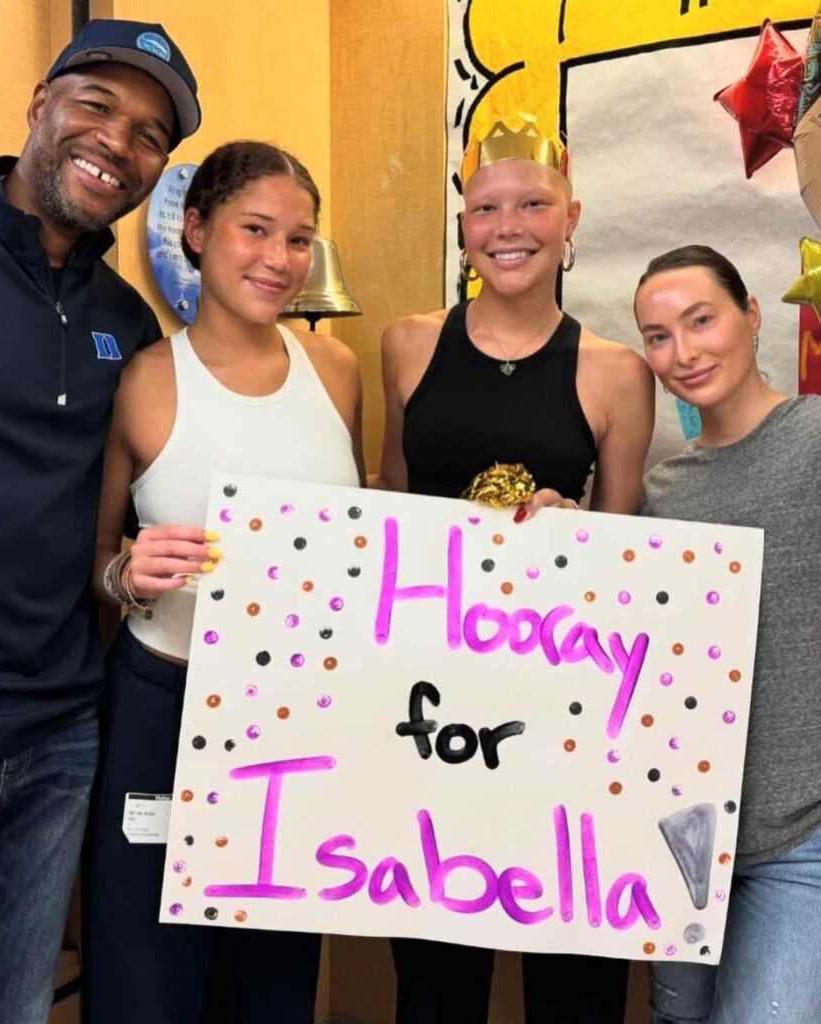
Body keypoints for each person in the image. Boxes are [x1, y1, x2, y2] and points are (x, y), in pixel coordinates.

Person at [0, 19, 199, 1024]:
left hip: (57, 738)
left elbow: (108, 523)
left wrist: (129, 571)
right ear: (41, 103)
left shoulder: (127, 320)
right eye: (97, 106)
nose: (119, 142)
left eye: (151, 133)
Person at [376, 115, 654, 1024]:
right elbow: (388, 503)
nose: (510, 227)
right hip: (430, 701)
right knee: (432, 966)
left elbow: (628, 561)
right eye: (487, 208)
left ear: (572, 218)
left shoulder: (617, 372)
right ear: (463, 225)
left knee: (572, 969)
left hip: (559, 706)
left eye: (534, 205)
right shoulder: (408, 343)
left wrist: (582, 536)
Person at [82, 140, 365, 1024]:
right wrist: (128, 571)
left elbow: (373, 547)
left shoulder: (337, 372)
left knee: (273, 973)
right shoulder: (146, 380)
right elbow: (96, 564)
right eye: (256, 230)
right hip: (164, 703)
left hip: (298, 710)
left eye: (298, 239)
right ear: (197, 232)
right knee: (144, 970)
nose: (279, 259)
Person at [635, 245, 821, 1024]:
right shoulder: (664, 490)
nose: (683, 352)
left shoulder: (815, 438)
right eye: (657, 336)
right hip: (681, 838)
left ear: (751, 314)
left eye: (701, 320)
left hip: (800, 833)